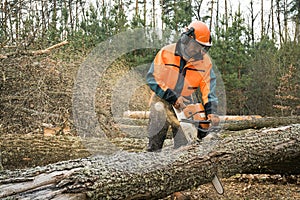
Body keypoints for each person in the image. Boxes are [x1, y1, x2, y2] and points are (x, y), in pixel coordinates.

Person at [146, 21, 219, 152]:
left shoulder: (204, 62)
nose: (199, 51)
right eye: (196, 46)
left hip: (185, 101)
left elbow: (208, 88)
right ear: (186, 39)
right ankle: (152, 159)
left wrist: (211, 111)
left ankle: (181, 163)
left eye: (203, 48)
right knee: (158, 123)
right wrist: (173, 98)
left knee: (185, 144)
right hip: (163, 97)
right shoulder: (166, 53)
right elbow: (152, 78)